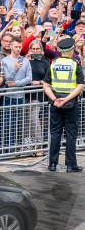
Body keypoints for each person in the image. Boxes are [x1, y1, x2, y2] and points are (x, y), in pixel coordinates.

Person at [43, 37, 84, 172]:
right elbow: (80, 87)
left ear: (60, 51)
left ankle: (52, 164)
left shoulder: (53, 63)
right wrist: (66, 100)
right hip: (70, 104)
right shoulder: (75, 64)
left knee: (55, 133)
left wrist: (55, 99)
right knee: (71, 134)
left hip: (55, 104)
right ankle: (70, 165)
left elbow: (46, 85)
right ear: (71, 50)